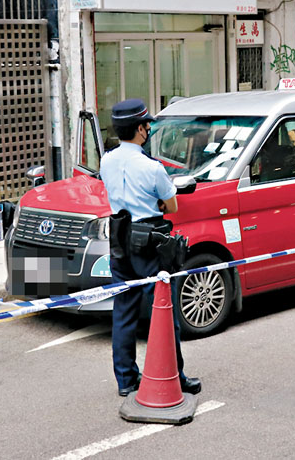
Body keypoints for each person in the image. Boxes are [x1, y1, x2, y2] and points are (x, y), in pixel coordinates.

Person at [99, 98, 201, 398]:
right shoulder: (151, 167)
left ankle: (126, 380)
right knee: (163, 310)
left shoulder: (107, 160)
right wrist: (156, 203)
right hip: (149, 241)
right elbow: (172, 204)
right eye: (147, 125)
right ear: (141, 129)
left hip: (119, 238)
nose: (148, 130)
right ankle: (174, 376)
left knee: (124, 312)